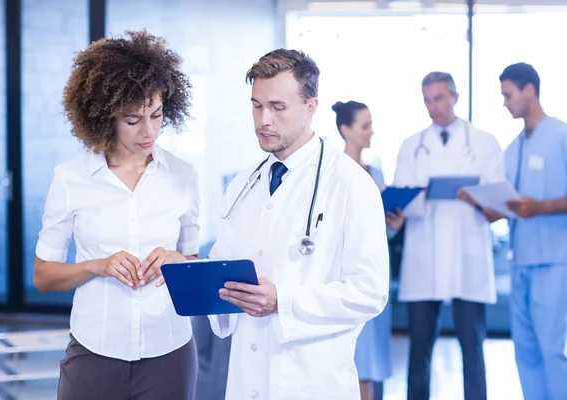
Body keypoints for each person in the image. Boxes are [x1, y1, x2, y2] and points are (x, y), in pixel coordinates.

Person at [206, 49, 390, 400]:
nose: (263, 120)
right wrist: (191, 274)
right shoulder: (242, 185)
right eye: (257, 105)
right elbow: (223, 269)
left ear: (310, 107)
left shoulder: (351, 183)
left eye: (278, 107)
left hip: (313, 381)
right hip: (247, 378)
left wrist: (283, 301)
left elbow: (370, 291)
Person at [33, 30, 199, 400]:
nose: (149, 130)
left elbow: (192, 261)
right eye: (133, 119)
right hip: (95, 352)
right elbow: (44, 277)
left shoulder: (184, 176)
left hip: (169, 351)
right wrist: (97, 266)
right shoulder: (70, 177)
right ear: (105, 115)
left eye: (157, 115)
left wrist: (178, 261)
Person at [392, 71, 505, 400]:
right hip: (423, 255)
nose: (433, 107)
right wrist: (420, 196)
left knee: (473, 348)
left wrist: (475, 197)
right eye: (427, 100)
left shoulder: (484, 142)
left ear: (454, 97)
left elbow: (497, 197)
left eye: (439, 98)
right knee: (419, 347)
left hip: (466, 252)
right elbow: (402, 197)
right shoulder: (412, 145)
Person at [498, 62, 567, 400]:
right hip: (521, 259)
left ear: (529, 90)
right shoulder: (513, 149)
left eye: (508, 95)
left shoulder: (561, 136)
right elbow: (508, 199)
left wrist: (542, 207)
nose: (505, 103)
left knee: (552, 348)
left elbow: (542, 202)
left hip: (555, 259)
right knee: (524, 350)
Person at [332, 100, 404, 400]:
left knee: (374, 356)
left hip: (375, 273)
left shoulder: (376, 175)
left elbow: (380, 233)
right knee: (353, 355)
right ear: (345, 129)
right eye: (365, 126)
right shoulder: (333, 173)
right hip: (344, 275)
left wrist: (395, 225)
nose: (371, 132)